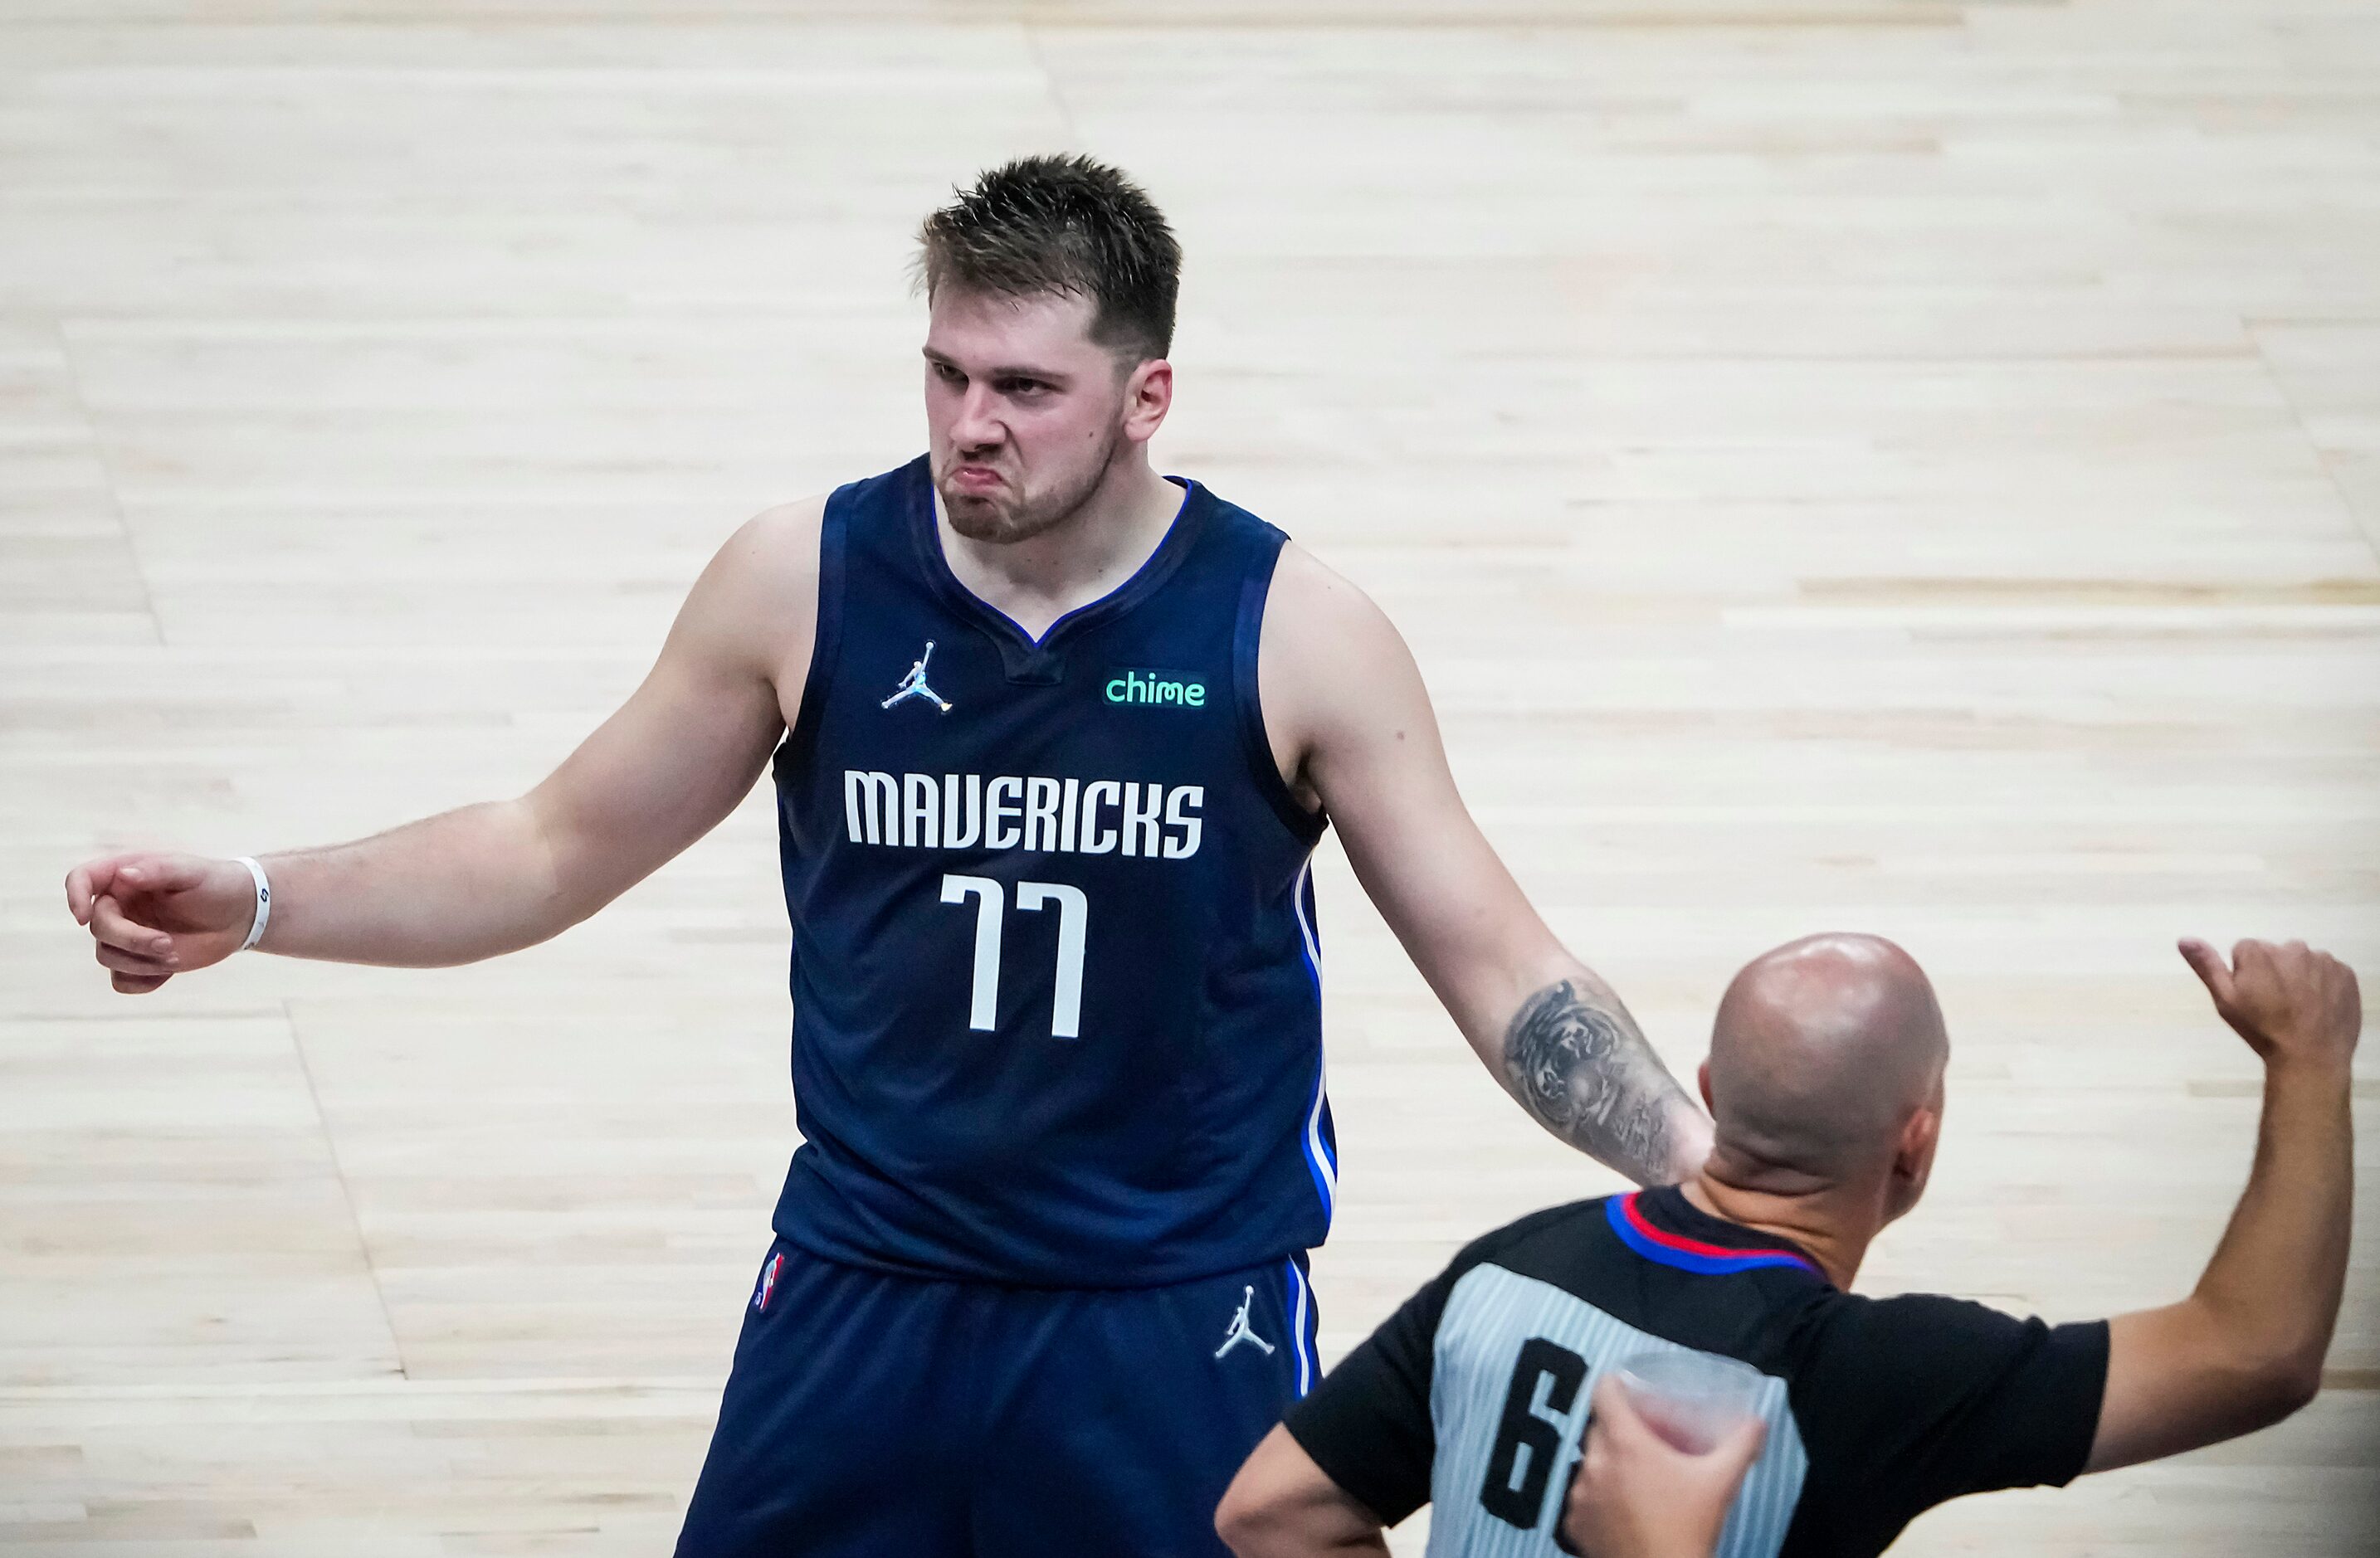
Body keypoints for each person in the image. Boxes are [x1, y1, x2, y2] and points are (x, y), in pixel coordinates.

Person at [61, 155, 1714, 1558]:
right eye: (946, 373)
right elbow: (547, 846)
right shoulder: (804, 579)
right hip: (868, 1283)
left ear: (1147, 397)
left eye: (1024, 388)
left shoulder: (1294, 632)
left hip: (1168, 1309)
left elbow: (1503, 963)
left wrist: (1713, 1181)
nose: (969, 425)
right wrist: (260, 901)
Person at [1216, 933, 2359, 1558]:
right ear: (1916, 1144)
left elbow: (1271, 1510)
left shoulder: (1506, 1267)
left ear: (1711, 1093)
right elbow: (2254, 1348)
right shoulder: (1875, 1378)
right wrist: (2308, 1057)